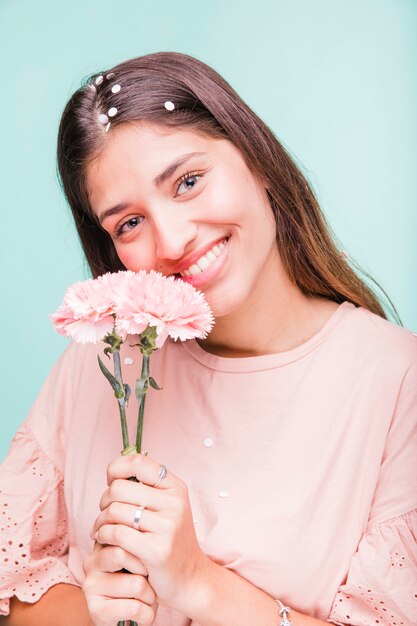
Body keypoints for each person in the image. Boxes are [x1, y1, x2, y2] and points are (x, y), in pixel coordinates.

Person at [0, 51, 416, 626]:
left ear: (258, 160)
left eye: (188, 182)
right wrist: (90, 613)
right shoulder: (103, 360)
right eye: (129, 223)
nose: (171, 240)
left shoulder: (398, 381)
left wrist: (200, 586)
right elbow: (16, 593)